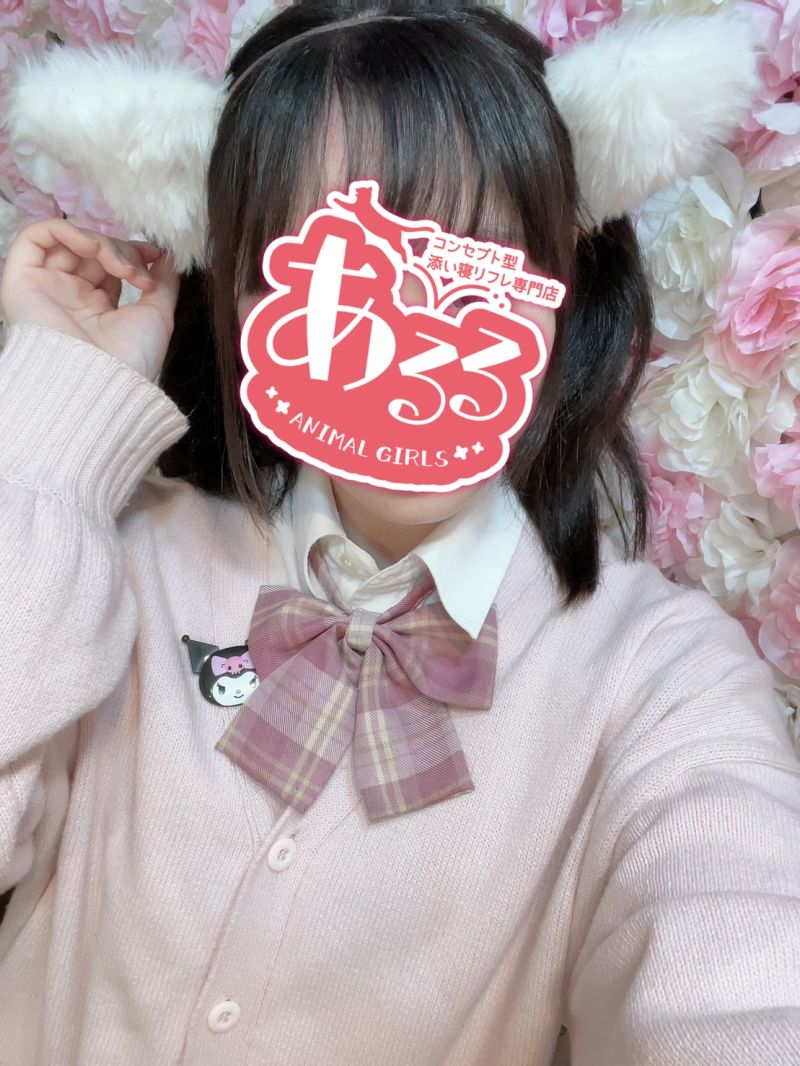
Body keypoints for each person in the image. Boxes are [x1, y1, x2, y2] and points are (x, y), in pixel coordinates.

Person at [0, 2, 798, 1064]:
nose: (407, 322)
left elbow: (741, 988)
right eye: (332, 263)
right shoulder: (105, 559)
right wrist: (56, 418)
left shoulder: (660, 676)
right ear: (241, 292)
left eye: (470, 259)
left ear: (561, 279)